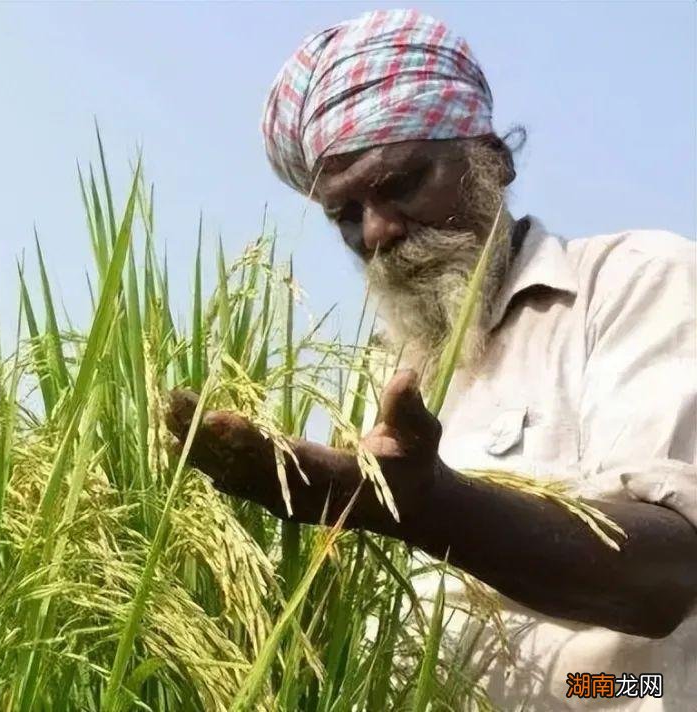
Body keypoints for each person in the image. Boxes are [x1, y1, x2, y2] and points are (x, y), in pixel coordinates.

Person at [165, 9, 697, 710]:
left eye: (405, 181)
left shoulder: (632, 282)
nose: (379, 231)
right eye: (346, 214)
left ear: (492, 159)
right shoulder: (369, 380)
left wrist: (424, 505)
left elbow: (670, 572)